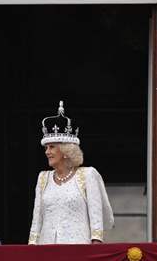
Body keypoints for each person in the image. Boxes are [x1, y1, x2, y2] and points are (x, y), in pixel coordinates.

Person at [28, 101, 114, 245]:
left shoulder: (87, 175)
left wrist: (96, 245)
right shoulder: (43, 178)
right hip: (47, 249)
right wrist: (32, 245)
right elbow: (37, 219)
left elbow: (96, 219)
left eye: (52, 147)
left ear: (66, 151)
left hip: (79, 250)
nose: (47, 152)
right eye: (46, 148)